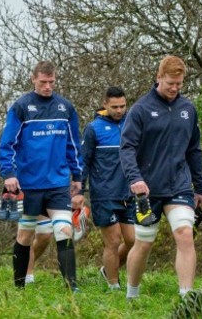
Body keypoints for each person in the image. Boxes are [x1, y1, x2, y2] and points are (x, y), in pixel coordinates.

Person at [119, 55, 202, 300]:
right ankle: (132, 295)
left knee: (185, 234)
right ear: (159, 77)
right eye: (170, 83)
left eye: (179, 83)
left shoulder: (188, 109)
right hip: (147, 189)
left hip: (179, 185)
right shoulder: (141, 109)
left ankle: (187, 298)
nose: (175, 88)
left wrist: (200, 187)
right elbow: (126, 148)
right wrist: (135, 179)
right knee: (144, 243)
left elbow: (194, 149)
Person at [0, 60, 84, 290]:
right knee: (25, 235)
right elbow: (6, 145)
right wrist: (8, 173)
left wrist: (77, 177)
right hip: (28, 185)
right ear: (33, 79)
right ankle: (19, 287)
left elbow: (74, 146)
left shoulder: (66, 108)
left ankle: (72, 288)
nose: (47, 86)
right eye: (43, 82)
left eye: (51, 82)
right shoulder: (21, 107)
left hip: (57, 183)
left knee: (64, 231)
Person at [82, 86, 135, 290]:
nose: (120, 110)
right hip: (104, 195)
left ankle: (107, 270)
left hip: (129, 194)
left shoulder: (132, 125)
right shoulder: (93, 129)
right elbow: (83, 162)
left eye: (123, 106)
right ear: (105, 105)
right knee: (113, 241)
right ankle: (114, 286)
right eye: (115, 107)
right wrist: (78, 192)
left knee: (133, 241)